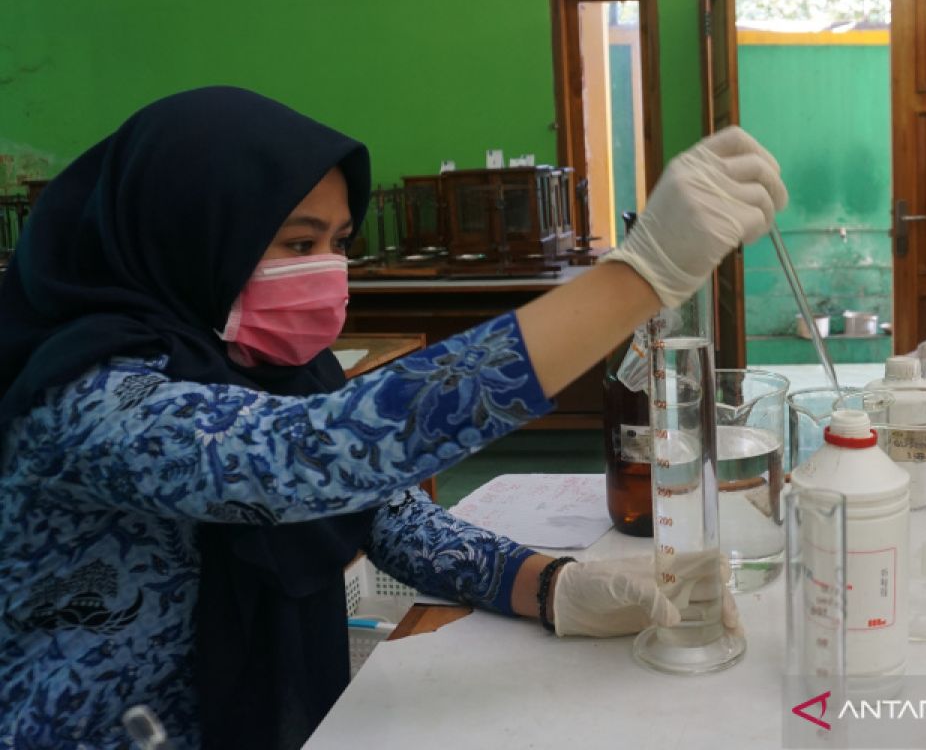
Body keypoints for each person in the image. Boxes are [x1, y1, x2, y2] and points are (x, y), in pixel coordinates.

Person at [0, 87, 787, 748]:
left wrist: (555, 586)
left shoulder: (262, 365)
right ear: (190, 234)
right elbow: (307, 460)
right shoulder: (84, 395)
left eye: (338, 242)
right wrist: (639, 276)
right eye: (295, 241)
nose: (326, 270)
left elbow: (389, 519)